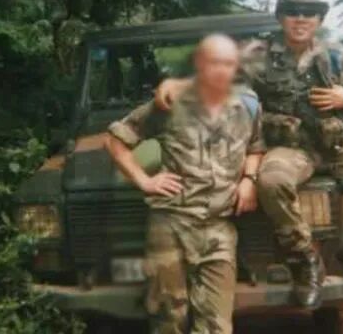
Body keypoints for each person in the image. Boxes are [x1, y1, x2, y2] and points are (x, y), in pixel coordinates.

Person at [155, 0, 343, 309]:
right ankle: (306, 260)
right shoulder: (256, 55)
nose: (301, 19)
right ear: (280, 16)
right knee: (271, 181)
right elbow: (214, 78)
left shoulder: (338, 56)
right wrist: (175, 84)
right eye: (292, 11)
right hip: (293, 150)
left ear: (320, 19)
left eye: (309, 13)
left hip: (340, 148)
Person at [105, 34, 265, 334]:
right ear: (200, 64)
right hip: (171, 225)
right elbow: (116, 141)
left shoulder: (248, 106)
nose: (222, 70)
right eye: (214, 63)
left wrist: (249, 179)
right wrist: (144, 181)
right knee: (169, 320)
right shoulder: (168, 105)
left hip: (219, 228)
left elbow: (256, 147)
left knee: (217, 325)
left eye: (228, 63)